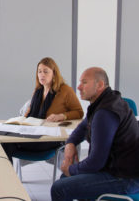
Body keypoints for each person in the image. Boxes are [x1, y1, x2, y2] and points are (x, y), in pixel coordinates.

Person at [51, 67, 139, 201]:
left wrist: (71, 169)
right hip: (120, 170)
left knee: (59, 188)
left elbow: (96, 162)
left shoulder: (105, 113)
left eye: (84, 82)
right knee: (67, 178)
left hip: (125, 179)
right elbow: (82, 127)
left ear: (100, 85)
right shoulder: (107, 101)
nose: (79, 87)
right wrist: (70, 143)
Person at [2, 57, 84, 161]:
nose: (42, 75)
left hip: (49, 137)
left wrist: (62, 116)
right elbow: (29, 113)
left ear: (54, 73)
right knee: (4, 143)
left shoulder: (65, 90)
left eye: (46, 71)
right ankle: (6, 176)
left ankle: (6, 176)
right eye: (39, 71)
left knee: (6, 144)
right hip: (33, 132)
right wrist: (21, 120)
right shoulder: (38, 90)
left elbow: (79, 112)